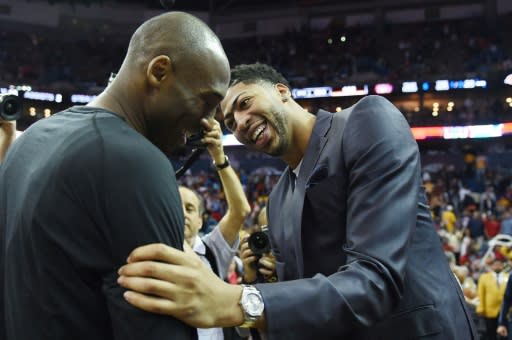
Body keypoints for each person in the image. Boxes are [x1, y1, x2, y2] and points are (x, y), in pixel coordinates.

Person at [117, 62, 478, 339]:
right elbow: (310, 302)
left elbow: (375, 280)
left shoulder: (366, 121)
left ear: (282, 91)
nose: (240, 123)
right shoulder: (277, 199)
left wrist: (240, 299)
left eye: (244, 103)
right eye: (229, 122)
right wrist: (263, 281)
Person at [0, 12, 230, 340]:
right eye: (206, 102)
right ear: (159, 72)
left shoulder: (32, 139)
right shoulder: (136, 162)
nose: (208, 122)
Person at [179, 116, 251, 339]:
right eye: (176, 206)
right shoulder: (155, 249)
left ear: (201, 220)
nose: (182, 213)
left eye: (190, 208)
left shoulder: (212, 250)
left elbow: (240, 210)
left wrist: (219, 156)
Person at [476, 258, 508, 340]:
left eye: (499, 264)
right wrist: (481, 308)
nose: (497, 266)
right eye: (495, 264)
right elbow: (481, 294)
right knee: (490, 334)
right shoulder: (484, 277)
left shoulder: (507, 277)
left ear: (502, 266)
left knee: (505, 334)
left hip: (505, 312)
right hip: (489, 311)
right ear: (492, 266)